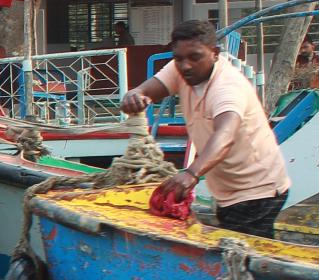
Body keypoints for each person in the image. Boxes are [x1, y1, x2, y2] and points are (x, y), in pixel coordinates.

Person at [121, 19, 290, 238]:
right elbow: (149, 89)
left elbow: (225, 135)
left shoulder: (227, 87)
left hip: (258, 190)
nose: (186, 66)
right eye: (179, 59)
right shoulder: (181, 70)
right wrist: (135, 95)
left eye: (195, 57)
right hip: (227, 189)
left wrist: (192, 173)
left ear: (214, 52)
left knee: (241, 259)